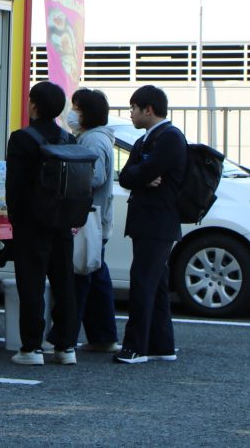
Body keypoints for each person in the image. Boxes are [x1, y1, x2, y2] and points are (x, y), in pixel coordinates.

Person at [5, 81, 78, 366]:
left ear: (33, 105)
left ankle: (32, 348)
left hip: (31, 223)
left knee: (31, 284)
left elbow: (14, 186)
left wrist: (15, 219)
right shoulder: (68, 139)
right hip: (63, 221)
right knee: (64, 282)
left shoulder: (21, 139)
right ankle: (66, 346)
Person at [115, 85, 187, 364]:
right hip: (148, 220)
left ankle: (135, 347)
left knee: (143, 282)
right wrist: (142, 176)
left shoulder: (170, 137)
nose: (131, 113)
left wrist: (141, 175)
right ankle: (161, 345)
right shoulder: (145, 139)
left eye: (133, 108)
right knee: (155, 284)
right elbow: (126, 176)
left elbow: (143, 171)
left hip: (158, 221)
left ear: (148, 110)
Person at [65, 88, 120, 353]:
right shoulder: (94, 137)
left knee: (84, 277)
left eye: (76, 108)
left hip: (89, 220)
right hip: (96, 220)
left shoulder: (93, 140)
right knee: (96, 278)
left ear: (87, 113)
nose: (72, 113)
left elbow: (94, 177)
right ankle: (103, 337)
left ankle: (69, 337)